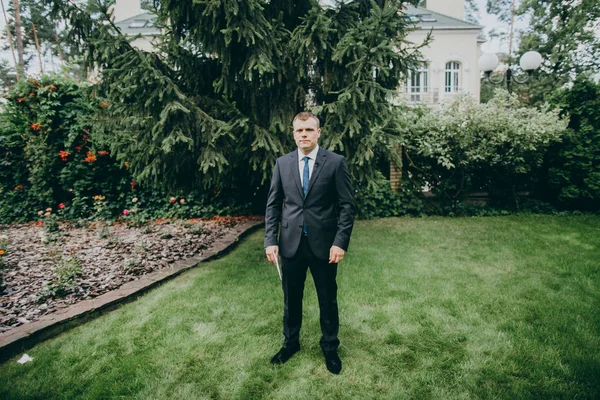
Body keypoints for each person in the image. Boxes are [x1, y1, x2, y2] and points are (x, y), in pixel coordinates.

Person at [264, 111, 355, 374]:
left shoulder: (335, 163)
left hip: (324, 244)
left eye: (308, 130)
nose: (303, 134)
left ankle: (330, 348)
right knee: (291, 299)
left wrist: (340, 242)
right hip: (290, 243)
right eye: (299, 130)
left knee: (327, 298)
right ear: (293, 133)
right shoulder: (282, 163)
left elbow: (347, 206)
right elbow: (273, 205)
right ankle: (290, 344)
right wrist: (271, 240)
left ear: (318, 132)